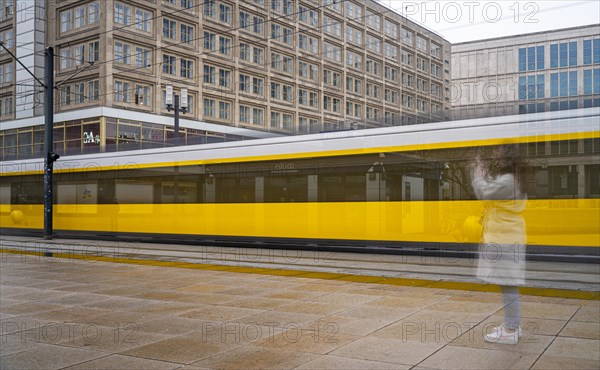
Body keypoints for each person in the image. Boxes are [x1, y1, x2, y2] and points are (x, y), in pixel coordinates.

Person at [471, 144, 527, 345]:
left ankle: (510, 330)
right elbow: (491, 190)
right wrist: (484, 172)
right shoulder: (512, 179)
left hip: (504, 240)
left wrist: (477, 174)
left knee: (508, 284)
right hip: (508, 237)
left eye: (499, 154)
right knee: (507, 283)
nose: (496, 156)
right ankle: (512, 325)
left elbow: (484, 193)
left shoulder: (509, 181)